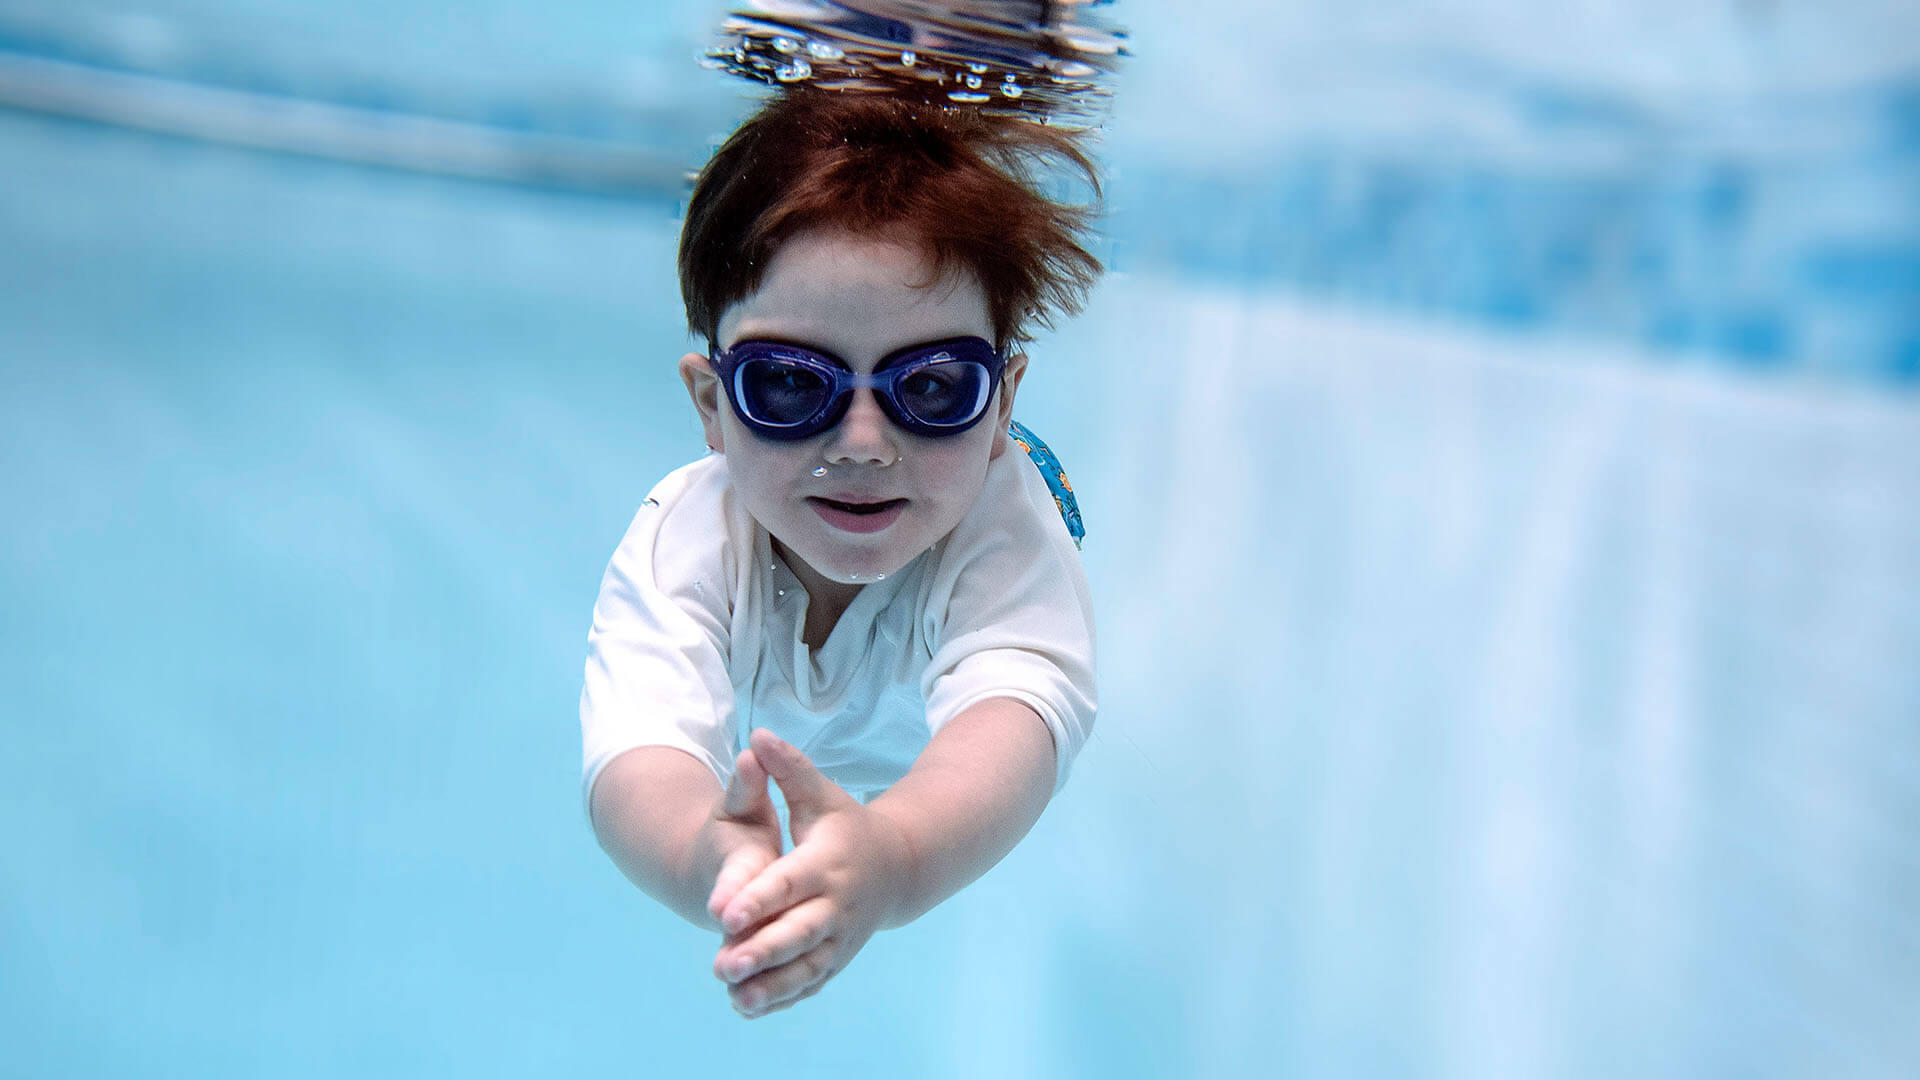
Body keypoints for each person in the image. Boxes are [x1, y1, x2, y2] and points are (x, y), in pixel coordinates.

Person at [579, 86, 1101, 1020]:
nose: (862, 441)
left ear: (1002, 405)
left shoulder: (1002, 526)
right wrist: (709, 856)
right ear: (712, 406)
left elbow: (1017, 724)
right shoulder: (687, 534)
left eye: (935, 386)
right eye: (788, 383)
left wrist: (891, 860)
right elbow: (638, 752)